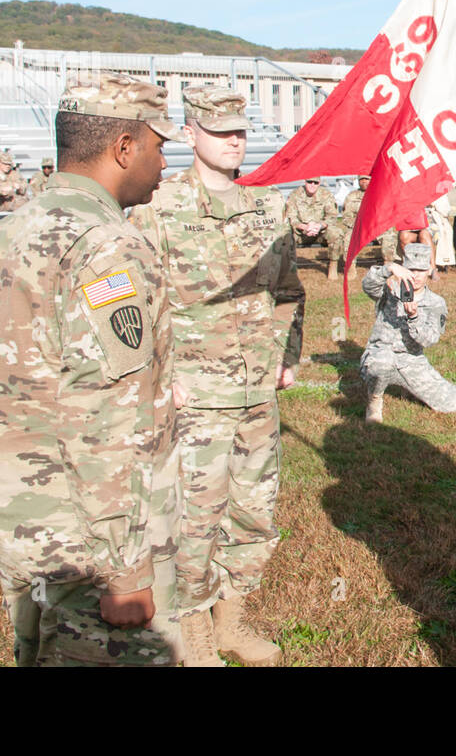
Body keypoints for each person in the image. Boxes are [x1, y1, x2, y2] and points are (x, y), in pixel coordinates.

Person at [0, 71, 185, 666]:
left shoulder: (6, 234)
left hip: (25, 520)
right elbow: (110, 414)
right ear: (123, 148)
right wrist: (126, 567)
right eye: (158, 145)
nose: (165, 162)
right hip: (92, 541)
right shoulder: (105, 245)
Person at [130, 85, 305, 668]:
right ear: (190, 134)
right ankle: (195, 636)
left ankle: (233, 622)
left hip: (256, 390)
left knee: (254, 508)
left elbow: (288, 292)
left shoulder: (268, 207)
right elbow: (135, 302)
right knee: (193, 516)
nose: (234, 140)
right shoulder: (156, 210)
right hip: (194, 395)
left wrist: (286, 354)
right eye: (220, 130)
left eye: (241, 130)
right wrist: (161, 374)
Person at [359, 242, 456, 424]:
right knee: (380, 365)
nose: (415, 275)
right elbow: (368, 286)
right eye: (411, 270)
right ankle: (374, 400)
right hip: (381, 352)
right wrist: (389, 268)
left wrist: (413, 317)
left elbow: (430, 340)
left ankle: (408, 384)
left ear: (429, 271)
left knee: (454, 405)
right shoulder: (390, 290)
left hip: (411, 359)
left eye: (421, 270)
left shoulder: (436, 303)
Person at [285, 176, 348, 280]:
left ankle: (333, 265)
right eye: (309, 182)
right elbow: (291, 217)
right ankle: (287, 270)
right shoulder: (294, 195)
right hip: (300, 232)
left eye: (315, 182)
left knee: (336, 233)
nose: (312, 185)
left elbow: (331, 217)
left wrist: (319, 226)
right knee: (284, 236)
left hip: (320, 232)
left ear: (319, 183)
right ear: (305, 182)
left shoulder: (326, 195)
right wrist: (304, 227)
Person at [342, 174, 399, 266]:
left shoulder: (382, 194)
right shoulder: (351, 196)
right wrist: (358, 225)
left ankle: (388, 265)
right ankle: (350, 267)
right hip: (358, 228)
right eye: (361, 179)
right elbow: (346, 217)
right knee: (348, 237)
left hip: (377, 228)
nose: (364, 181)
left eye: (367, 179)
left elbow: (388, 216)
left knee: (389, 236)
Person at [427, 191, 456, 274]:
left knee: (445, 231)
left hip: (438, 219)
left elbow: (446, 211)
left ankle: (442, 261)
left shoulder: (441, 194)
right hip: (423, 219)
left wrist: (435, 205)